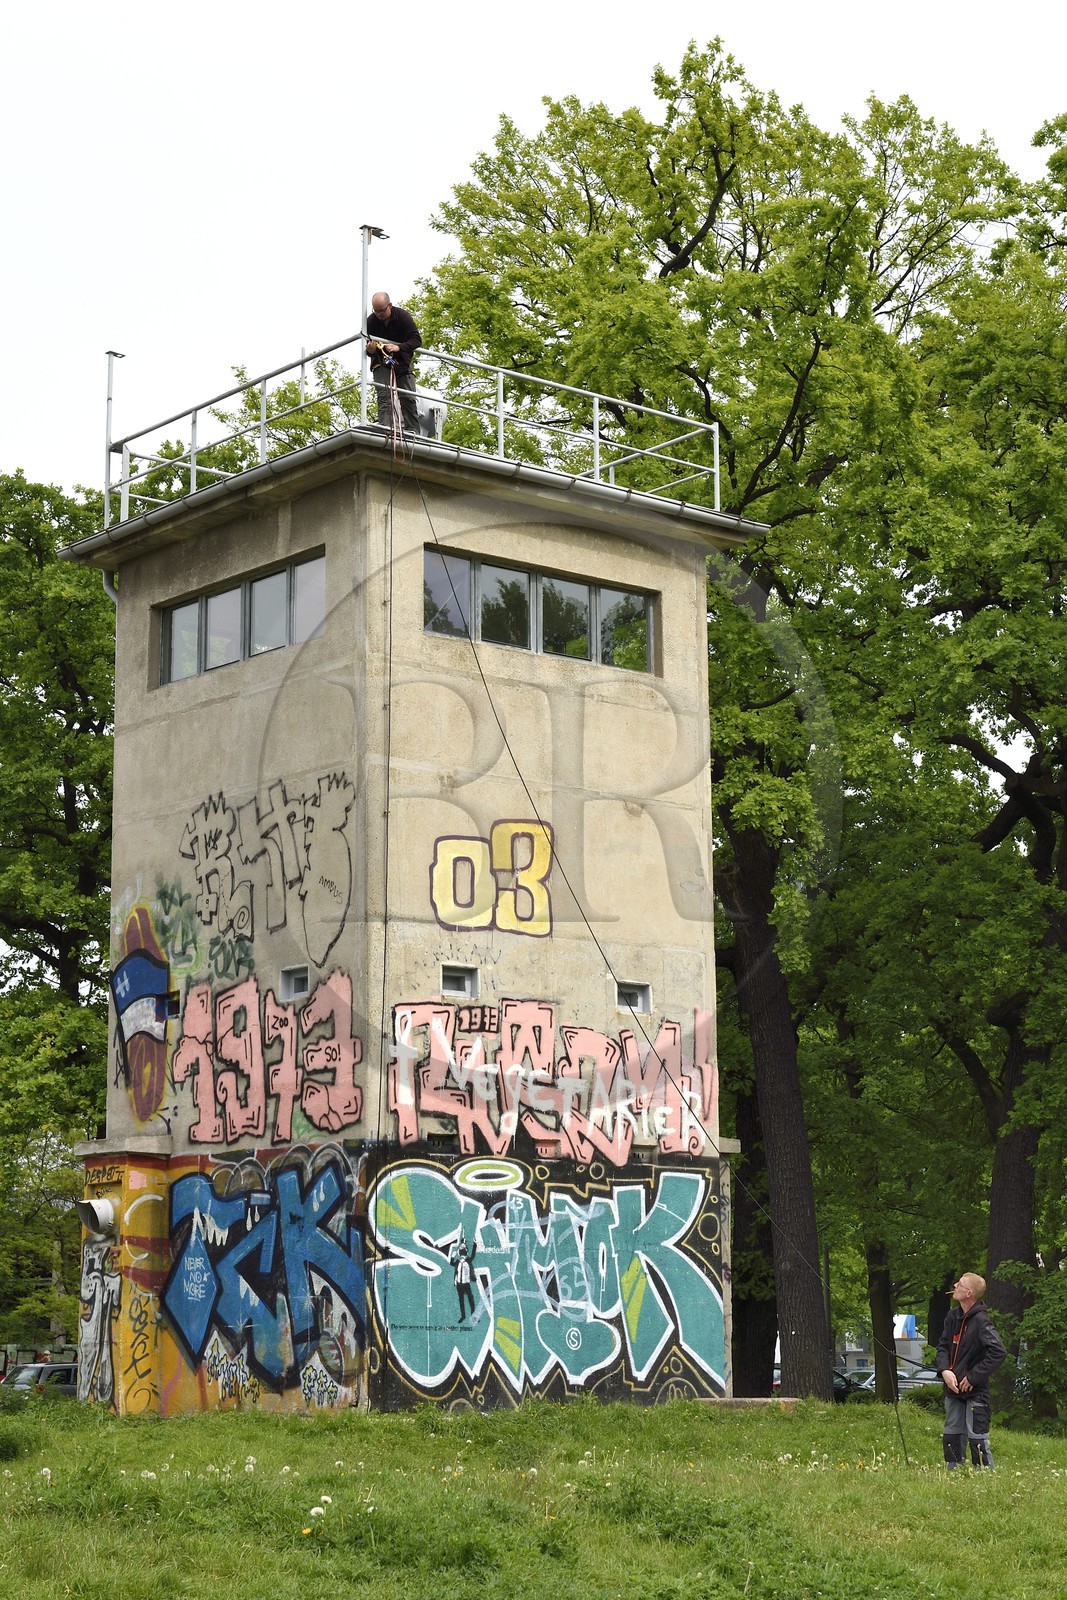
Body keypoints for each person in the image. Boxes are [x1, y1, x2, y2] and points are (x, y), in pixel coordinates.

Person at [935, 1272, 1006, 1468]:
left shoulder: (982, 1321)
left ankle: (983, 1479)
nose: (955, 1284)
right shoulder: (952, 1316)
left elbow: (998, 1352)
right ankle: (954, 1475)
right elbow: (942, 1347)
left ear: (969, 1293)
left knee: (977, 1436)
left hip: (976, 1391)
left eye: (961, 1284)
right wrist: (944, 1371)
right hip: (953, 1388)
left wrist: (973, 1377)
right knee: (951, 1433)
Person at [366, 291, 422, 434]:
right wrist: (370, 350)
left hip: (402, 362)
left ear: (389, 306)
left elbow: (416, 340)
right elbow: (368, 347)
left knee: (407, 397)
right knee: (384, 395)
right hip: (381, 362)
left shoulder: (403, 317)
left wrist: (399, 347)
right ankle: (385, 429)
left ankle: (412, 432)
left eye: (382, 310)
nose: (379, 314)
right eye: (376, 311)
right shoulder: (371, 321)